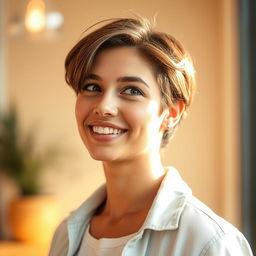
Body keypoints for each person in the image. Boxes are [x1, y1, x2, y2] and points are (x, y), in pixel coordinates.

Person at [49, 18, 253, 256]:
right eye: (92, 87)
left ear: (171, 113)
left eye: (132, 91)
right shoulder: (66, 234)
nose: (104, 106)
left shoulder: (210, 242)